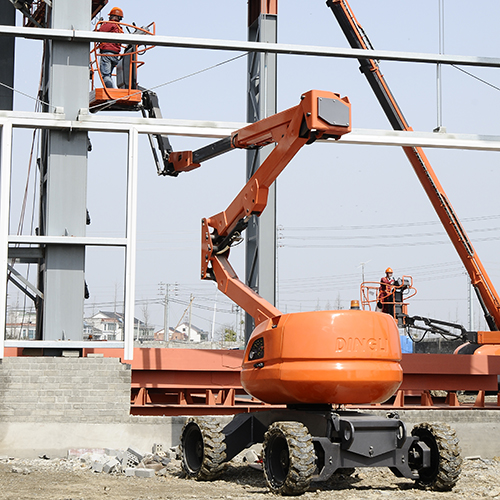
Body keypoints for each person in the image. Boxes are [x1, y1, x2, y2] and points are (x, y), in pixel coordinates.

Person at [97, 7, 124, 88]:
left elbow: (98, 32)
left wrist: (101, 25)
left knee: (105, 75)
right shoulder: (119, 28)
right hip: (115, 55)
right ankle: (112, 89)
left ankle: (110, 91)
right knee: (108, 75)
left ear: (113, 16)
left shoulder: (110, 24)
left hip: (107, 53)